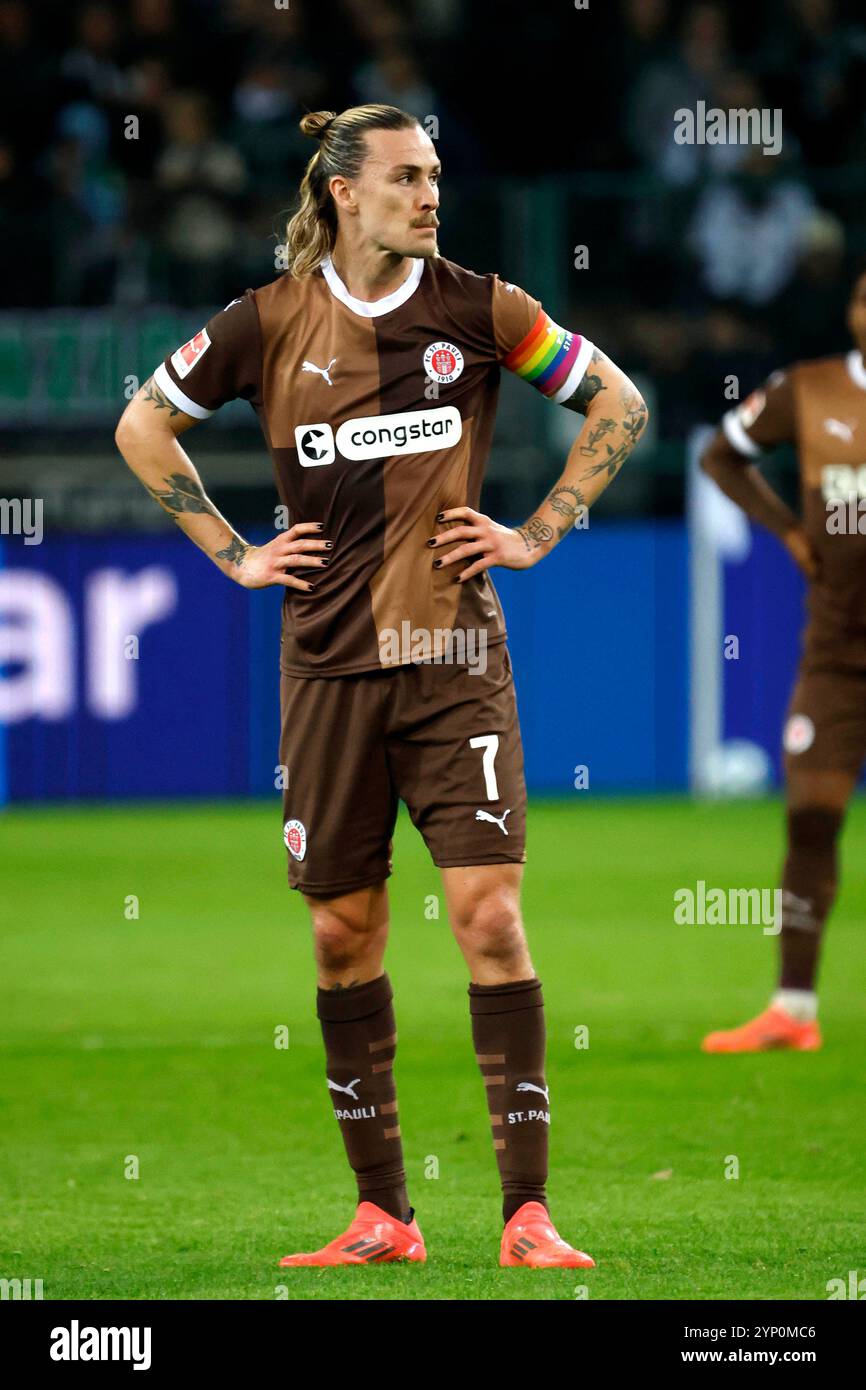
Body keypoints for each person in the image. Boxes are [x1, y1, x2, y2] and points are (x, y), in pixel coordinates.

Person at [114, 103, 648, 1267]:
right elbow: (145, 426)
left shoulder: (482, 306)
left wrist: (539, 528)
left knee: (488, 916)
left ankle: (526, 1213)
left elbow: (621, 401)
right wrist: (234, 553)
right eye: (407, 177)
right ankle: (383, 1215)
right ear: (343, 191)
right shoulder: (262, 323)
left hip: (456, 658)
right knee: (342, 936)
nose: (429, 195)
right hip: (327, 669)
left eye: (437, 176)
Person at [700, 267, 866, 1054]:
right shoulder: (810, 389)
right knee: (810, 815)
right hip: (836, 653)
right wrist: (792, 534)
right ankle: (793, 1009)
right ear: (853, 311)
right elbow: (719, 457)